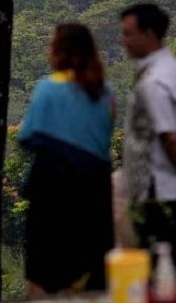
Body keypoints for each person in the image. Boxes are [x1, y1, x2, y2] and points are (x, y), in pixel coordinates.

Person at [18, 23, 115, 297]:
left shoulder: (48, 88)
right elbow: (104, 137)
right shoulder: (105, 91)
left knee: (44, 271)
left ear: (59, 50)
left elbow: (27, 136)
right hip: (95, 190)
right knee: (91, 267)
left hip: (54, 190)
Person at [120, 3, 176, 275]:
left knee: (160, 261)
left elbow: (169, 136)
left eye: (129, 34)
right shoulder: (173, 68)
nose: (123, 41)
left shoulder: (155, 80)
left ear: (150, 34)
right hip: (167, 183)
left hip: (155, 186)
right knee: (172, 255)